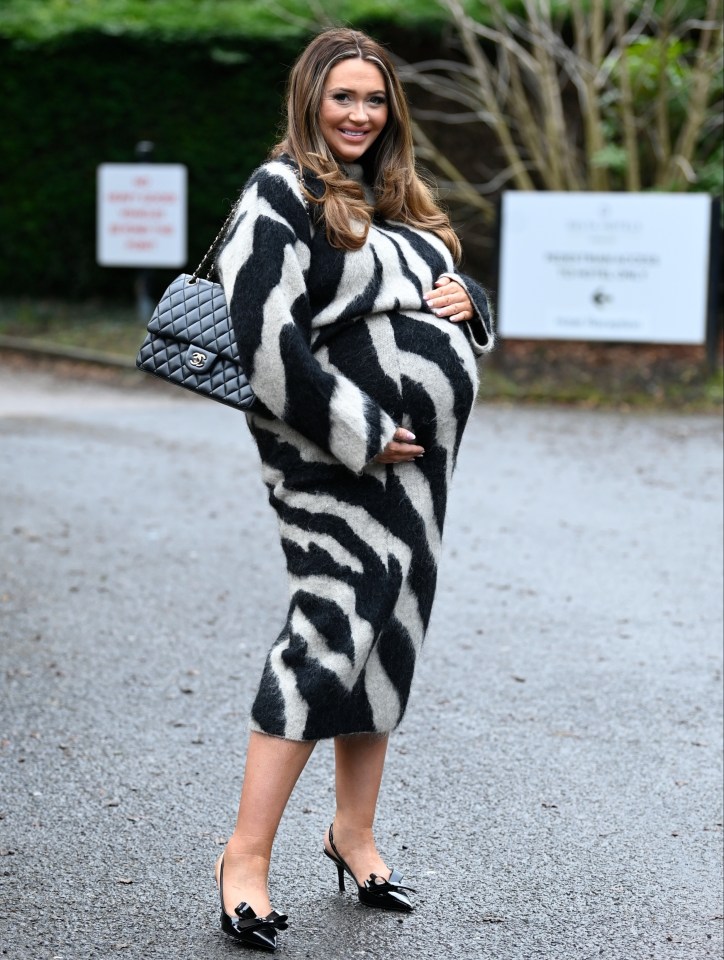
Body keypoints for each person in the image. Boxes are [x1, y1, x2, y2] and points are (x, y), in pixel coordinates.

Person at [213, 26, 494, 952]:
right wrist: (362, 431)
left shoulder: (400, 197)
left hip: (419, 469)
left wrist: (465, 302)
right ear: (310, 101)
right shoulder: (279, 193)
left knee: (390, 634)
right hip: (331, 455)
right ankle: (245, 858)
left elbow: (442, 290)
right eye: (344, 98)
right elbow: (262, 336)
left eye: (375, 100)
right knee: (330, 626)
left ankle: (353, 834)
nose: (360, 115)